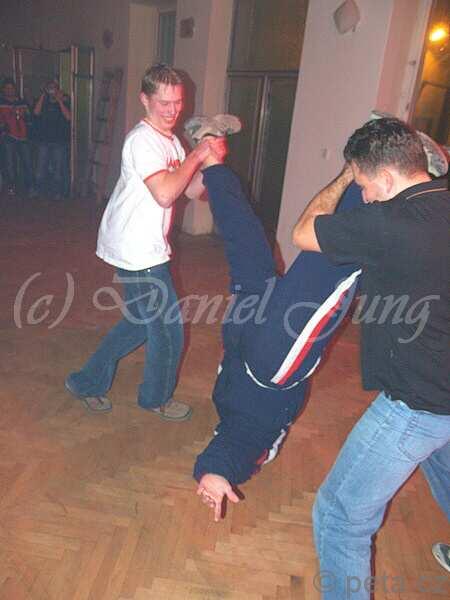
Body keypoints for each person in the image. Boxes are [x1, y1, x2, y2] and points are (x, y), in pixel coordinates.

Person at [292, 117, 450, 600]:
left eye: (364, 184)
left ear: (385, 176)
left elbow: (303, 232)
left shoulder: (389, 223)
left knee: (339, 515)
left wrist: (343, 174)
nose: (362, 195)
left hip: (421, 401)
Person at [193, 146, 364, 521]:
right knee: (246, 240)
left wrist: (214, 471)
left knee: (330, 268)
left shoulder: (255, 432)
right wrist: (214, 470)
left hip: (271, 362)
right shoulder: (232, 412)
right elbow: (234, 446)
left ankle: (376, 184)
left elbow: (238, 448)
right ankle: (213, 166)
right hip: (241, 334)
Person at [65, 64, 226, 419]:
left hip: (142, 243)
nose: (172, 110)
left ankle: (85, 382)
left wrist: (212, 161)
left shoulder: (171, 141)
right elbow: (166, 194)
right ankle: (156, 398)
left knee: (139, 322)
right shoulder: (142, 141)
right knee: (168, 332)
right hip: (136, 248)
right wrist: (198, 154)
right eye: (164, 103)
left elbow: (192, 190)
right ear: (145, 99)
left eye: (178, 102)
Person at [33, 80, 71, 200]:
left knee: (58, 169)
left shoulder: (64, 101)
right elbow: (36, 112)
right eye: (49, 88)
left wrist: (59, 100)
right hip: (44, 140)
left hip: (59, 141)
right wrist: (43, 95)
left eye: (54, 88)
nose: (52, 91)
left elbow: (68, 117)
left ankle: (57, 193)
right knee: (40, 168)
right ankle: (38, 191)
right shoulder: (43, 101)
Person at [0, 78, 36, 196]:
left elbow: (30, 119)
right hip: (8, 137)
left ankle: (30, 187)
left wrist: (24, 115)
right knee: (9, 163)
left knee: (27, 162)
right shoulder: (1, 102)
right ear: (3, 90)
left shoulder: (22, 102)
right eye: (7, 88)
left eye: (11, 88)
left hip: (23, 136)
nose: (9, 90)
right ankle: (12, 186)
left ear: (15, 89)